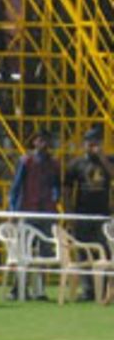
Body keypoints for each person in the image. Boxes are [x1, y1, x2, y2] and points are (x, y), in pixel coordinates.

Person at [9, 128, 61, 299]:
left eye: (45, 140)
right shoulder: (26, 161)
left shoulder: (54, 164)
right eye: (39, 140)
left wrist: (55, 199)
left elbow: (56, 186)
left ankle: (40, 290)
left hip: (46, 212)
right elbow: (16, 187)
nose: (42, 144)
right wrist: (13, 211)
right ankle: (18, 288)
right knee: (23, 251)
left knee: (45, 252)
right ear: (34, 142)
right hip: (28, 210)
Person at [63, 126, 113, 300]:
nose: (92, 146)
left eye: (96, 142)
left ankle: (106, 288)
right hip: (82, 213)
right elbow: (67, 189)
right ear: (84, 144)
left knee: (106, 251)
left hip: (103, 214)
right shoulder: (76, 164)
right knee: (84, 252)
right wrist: (69, 212)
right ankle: (88, 290)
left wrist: (102, 157)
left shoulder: (108, 160)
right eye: (89, 142)